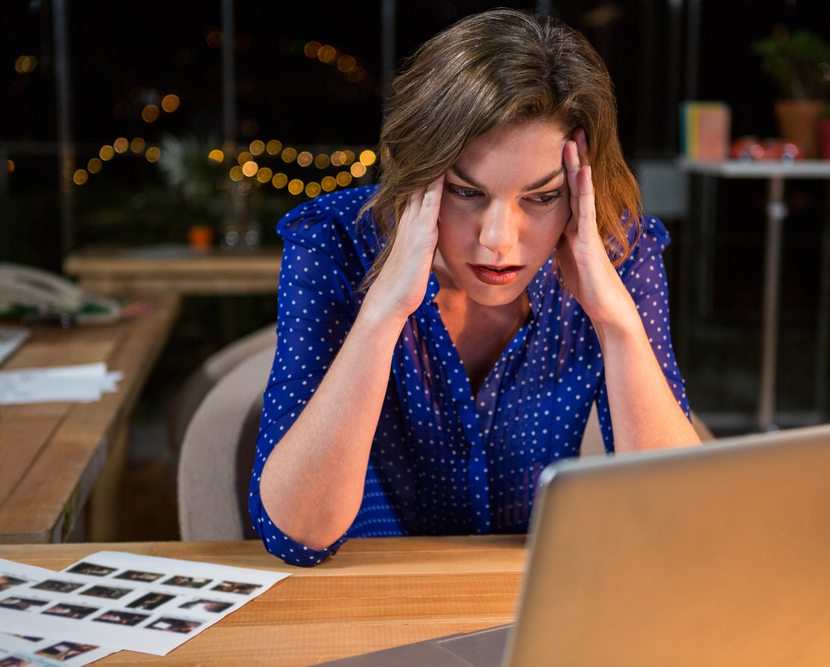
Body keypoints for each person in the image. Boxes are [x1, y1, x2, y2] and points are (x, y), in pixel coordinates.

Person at [249, 8, 701, 567]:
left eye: (541, 198)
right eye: (466, 192)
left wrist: (618, 324)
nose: (498, 240)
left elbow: (680, 521)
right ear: (418, 171)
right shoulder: (335, 242)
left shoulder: (615, 252)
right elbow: (296, 534)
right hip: (362, 603)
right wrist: (383, 314)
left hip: (523, 606)